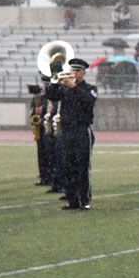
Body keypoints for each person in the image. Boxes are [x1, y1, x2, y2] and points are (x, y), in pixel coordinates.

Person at [46, 58, 97, 210]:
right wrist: (55, 81)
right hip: (66, 130)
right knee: (66, 166)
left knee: (82, 166)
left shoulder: (89, 88)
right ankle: (72, 199)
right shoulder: (64, 88)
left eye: (77, 70)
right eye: (72, 70)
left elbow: (88, 101)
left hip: (81, 130)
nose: (73, 73)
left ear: (83, 73)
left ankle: (84, 200)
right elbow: (51, 96)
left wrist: (74, 86)